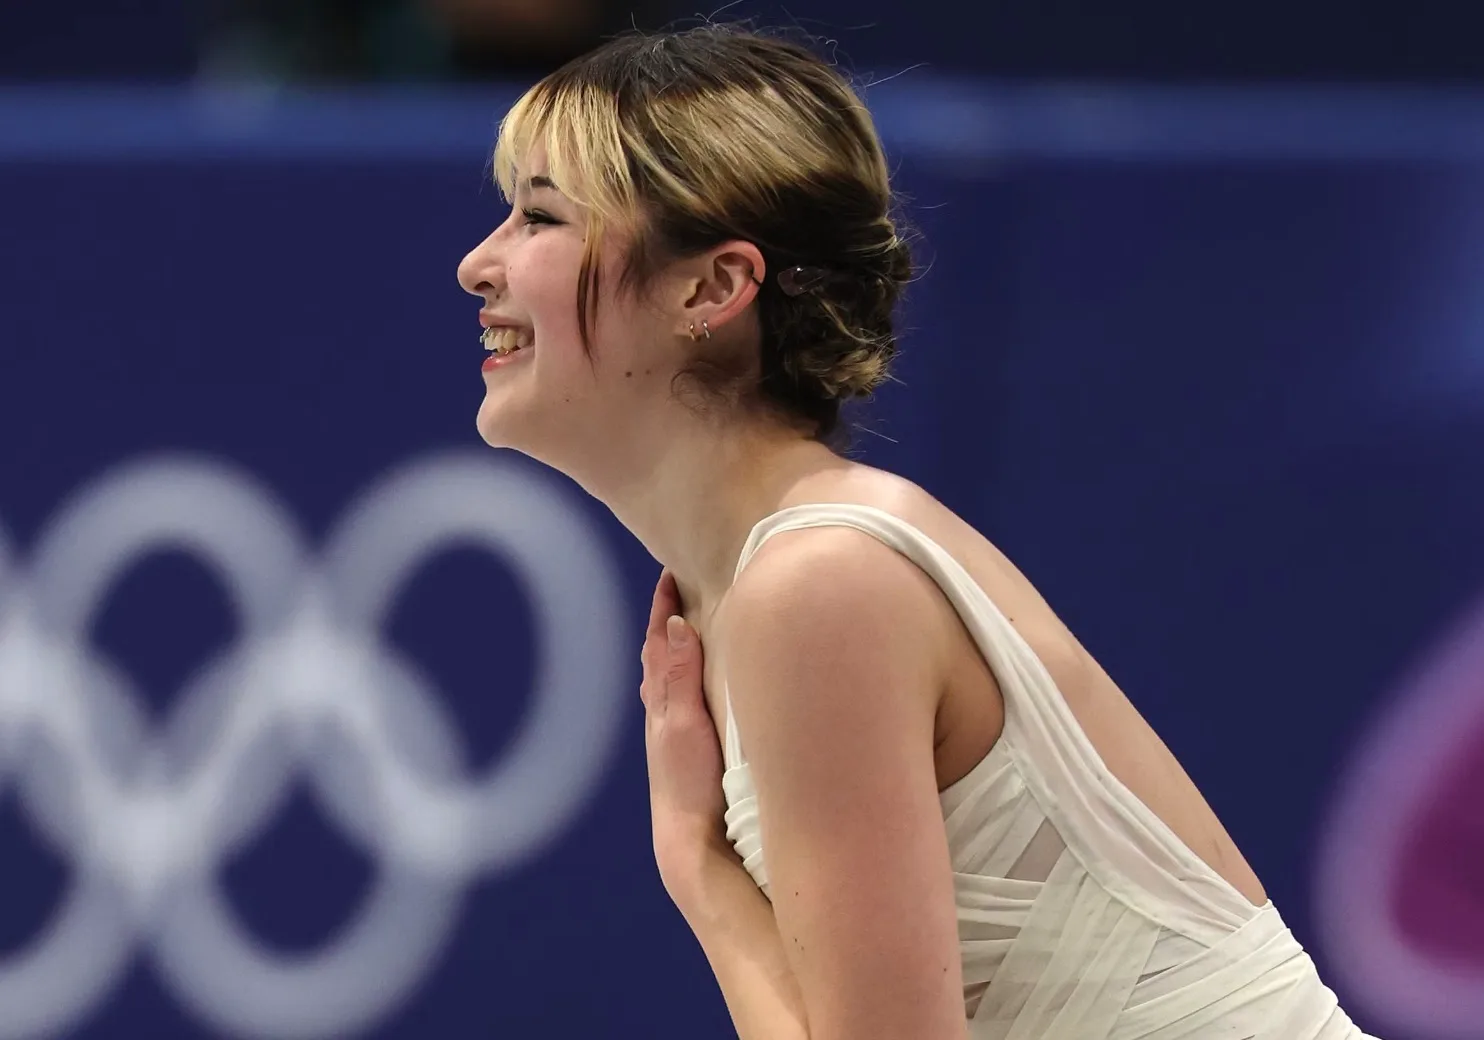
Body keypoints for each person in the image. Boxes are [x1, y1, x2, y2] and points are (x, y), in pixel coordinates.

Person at [455, 23, 1376, 1040]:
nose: (476, 265)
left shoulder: (820, 580)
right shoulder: (765, 580)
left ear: (711, 288)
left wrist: (697, 865)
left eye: (540, 217)